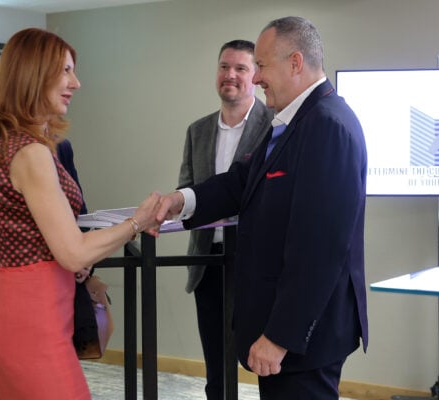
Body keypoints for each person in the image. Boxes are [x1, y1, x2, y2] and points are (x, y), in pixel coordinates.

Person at [153, 16, 368, 400]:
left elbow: (319, 249)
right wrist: (179, 201)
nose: (255, 78)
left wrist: (280, 337)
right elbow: (241, 181)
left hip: (305, 338)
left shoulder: (326, 126)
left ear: (296, 63)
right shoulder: (293, 120)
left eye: (262, 66)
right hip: (290, 331)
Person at [0, 28, 160, 400]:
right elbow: (72, 253)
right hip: (34, 313)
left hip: (12, 303)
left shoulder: (6, 143)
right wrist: (138, 221)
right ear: (35, 74)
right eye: (66, 71)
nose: (76, 83)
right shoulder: (31, 153)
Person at [177, 39, 273, 400]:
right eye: (224, 67)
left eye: (240, 68)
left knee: (263, 363)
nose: (230, 75)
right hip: (207, 263)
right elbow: (186, 188)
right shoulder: (197, 130)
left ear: (255, 76)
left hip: (255, 263)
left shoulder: (275, 125)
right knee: (216, 368)